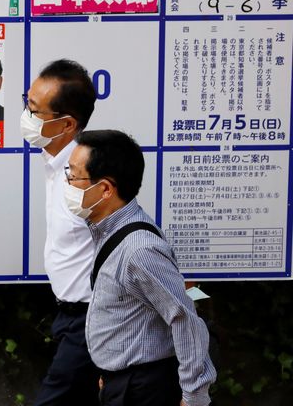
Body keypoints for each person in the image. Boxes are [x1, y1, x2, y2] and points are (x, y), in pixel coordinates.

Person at [68, 130, 216, 406]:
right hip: (122, 381)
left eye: (74, 176)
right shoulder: (108, 230)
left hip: (143, 389)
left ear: (105, 189)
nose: (68, 183)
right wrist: (110, 372)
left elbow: (184, 318)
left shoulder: (139, 249)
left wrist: (194, 396)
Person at [22, 59, 98, 405]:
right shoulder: (56, 165)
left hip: (92, 322)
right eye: (27, 103)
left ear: (66, 124)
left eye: (35, 110)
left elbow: (131, 244)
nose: (26, 116)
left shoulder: (88, 179)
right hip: (69, 315)